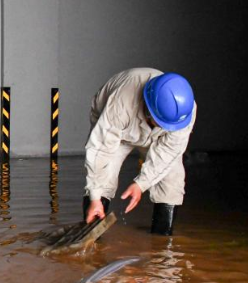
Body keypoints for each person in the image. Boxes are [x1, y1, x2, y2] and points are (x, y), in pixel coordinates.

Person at [83, 68, 195, 236]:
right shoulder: (121, 103)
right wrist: (94, 197)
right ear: (149, 111)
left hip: (156, 138)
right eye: (161, 122)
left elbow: (168, 153)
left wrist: (141, 184)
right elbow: (100, 150)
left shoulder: (184, 113)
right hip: (116, 129)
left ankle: (162, 242)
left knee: (172, 179)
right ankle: (91, 236)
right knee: (103, 178)